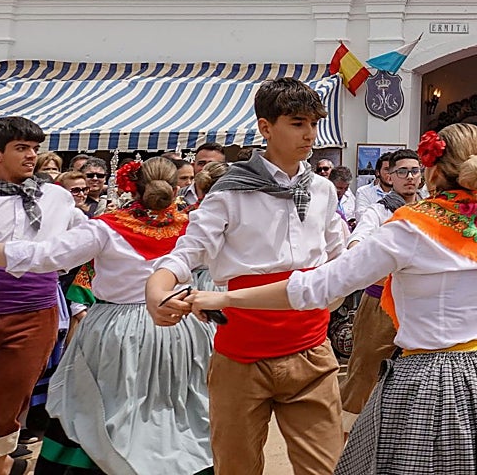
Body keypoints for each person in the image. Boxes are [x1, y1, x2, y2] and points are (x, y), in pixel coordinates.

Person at [187, 124, 477, 475]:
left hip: (430, 377)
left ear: (432, 170)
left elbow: (317, 287)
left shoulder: (409, 229)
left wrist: (223, 298)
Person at [146, 77, 346, 475]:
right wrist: (158, 286)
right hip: (240, 356)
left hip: (311, 350)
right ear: (265, 127)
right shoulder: (229, 192)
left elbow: (340, 256)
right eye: (297, 123)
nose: (309, 134)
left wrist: (326, 297)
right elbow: (190, 249)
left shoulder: (323, 190)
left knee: (326, 468)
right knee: (235, 468)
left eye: (313, 123)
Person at [0, 157, 214, 475]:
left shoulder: (106, 228)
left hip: (117, 332)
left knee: (101, 408)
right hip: (179, 327)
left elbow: (43, 256)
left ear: (132, 187)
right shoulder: (193, 225)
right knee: (175, 408)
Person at [0, 116, 86, 475]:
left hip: (34, 313)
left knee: (5, 409)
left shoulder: (59, 197)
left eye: (35, 148)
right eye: (22, 148)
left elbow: (86, 238)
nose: (32, 155)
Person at [338, 149, 424, 426]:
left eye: (414, 171)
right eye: (402, 172)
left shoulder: (431, 208)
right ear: (390, 176)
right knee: (364, 370)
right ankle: (348, 435)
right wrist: (362, 260)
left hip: (420, 304)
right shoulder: (379, 210)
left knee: (420, 373)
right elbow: (357, 240)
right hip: (379, 303)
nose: (409, 177)